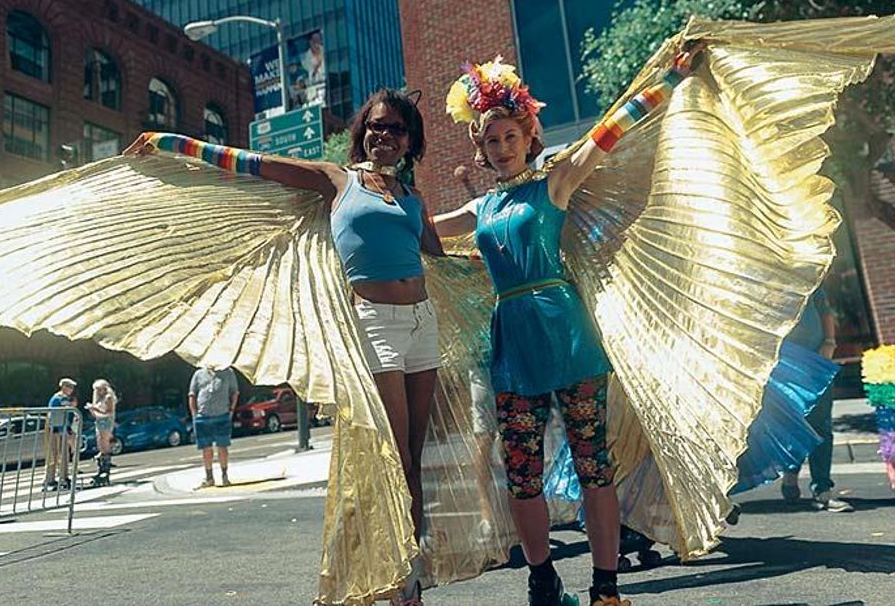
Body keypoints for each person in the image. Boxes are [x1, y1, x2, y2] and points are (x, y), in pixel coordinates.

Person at [126, 87, 444, 605]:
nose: (385, 136)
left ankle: (409, 577)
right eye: (377, 126)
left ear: (411, 141)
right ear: (363, 131)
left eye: (397, 129)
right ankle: (395, 584)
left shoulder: (411, 197)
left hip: (422, 322)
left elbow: (436, 249)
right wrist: (175, 144)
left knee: (414, 455)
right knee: (393, 457)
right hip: (375, 325)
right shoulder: (336, 180)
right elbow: (254, 164)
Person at [435, 50, 699, 606]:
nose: (501, 148)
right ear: (480, 150)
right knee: (522, 472)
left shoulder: (553, 184)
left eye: (510, 136)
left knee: (591, 463)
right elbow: (420, 233)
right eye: (490, 141)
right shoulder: (480, 209)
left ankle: (605, 586)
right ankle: (543, 578)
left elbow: (607, 133)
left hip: (568, 334)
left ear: (528, 136)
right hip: (512, 344)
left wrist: (668, 81)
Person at [779, 289, 853, 512]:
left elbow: (825, 312)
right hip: (784, 364)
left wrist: (829, 342)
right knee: (796, 423)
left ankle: (822, 490)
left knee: (821, 425)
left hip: (817, 359)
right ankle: (791, 470)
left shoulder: (810, 272)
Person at [188, 363, 239, 488]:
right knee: (206, 448)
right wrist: (194, 414)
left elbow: (235, 393)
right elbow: (192, 394)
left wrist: (231, 410)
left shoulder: (228, 373)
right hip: (203, 417)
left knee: (223, 446)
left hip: (222, 415)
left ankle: (224, 475)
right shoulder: (199, 374)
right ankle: (209, 477)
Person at [44, 377, 78, 491]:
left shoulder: (64, 398)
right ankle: (50, 480)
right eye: (69, 387)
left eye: (72, 387)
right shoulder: (58, 398)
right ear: (63, 387)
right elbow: (57, 415)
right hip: (55, 430)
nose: (71, 389)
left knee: (64, 454)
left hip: (62, 429)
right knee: (54, 455)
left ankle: (63, 477)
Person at [85, 379, 118, 486]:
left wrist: (95, 408)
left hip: (106, 422)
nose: (98, 392)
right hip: (100, 422)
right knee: (100, 446)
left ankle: (105, 471)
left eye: (100, 389)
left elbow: (109, 412)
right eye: (97, 390)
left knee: (104, 445)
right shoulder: (99, 399)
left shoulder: (108, 398)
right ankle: (101, 470)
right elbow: (97, 414)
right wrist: (92, 409)